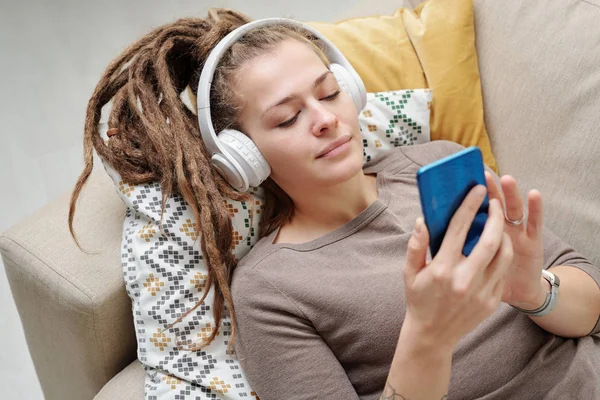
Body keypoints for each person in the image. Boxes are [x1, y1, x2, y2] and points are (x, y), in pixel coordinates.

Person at [70, 8, 600, 400]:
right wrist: (428, 334)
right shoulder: (270, 290)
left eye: (327, 92)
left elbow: (590, 311)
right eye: (286, 117)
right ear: (244, 155)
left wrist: (534, 291)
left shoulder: (433, 164)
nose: (325, 118)